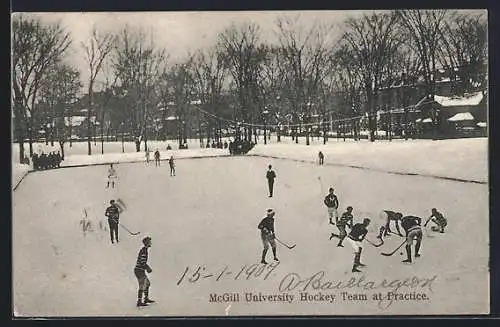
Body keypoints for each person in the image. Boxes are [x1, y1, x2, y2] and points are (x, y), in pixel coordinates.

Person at [135, 236, 155, 307]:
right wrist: (147, 268)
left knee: (147, 283)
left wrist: (146, 268)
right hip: (139, 270)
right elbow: (142, 262)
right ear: (146, 243)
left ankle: (145, 298)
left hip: (140, 270)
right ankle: (139, 301)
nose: (150, 243)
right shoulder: (144, 251)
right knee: (142, 285)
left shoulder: (144, 250)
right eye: (149, 242)